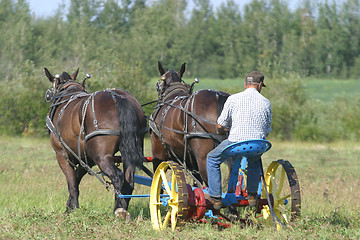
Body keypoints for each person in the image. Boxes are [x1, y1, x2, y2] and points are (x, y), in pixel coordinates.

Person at [205, 71, 272, 210]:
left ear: (245, 84)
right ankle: (252, 196)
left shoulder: (233, 99)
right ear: (259, 85)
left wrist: (222, 131)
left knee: (212, 158)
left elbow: (220, 124)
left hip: (236, 143)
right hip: (258, 144)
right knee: (254, 160)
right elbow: (266, 130)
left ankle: (216, 197)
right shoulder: (266, 102)